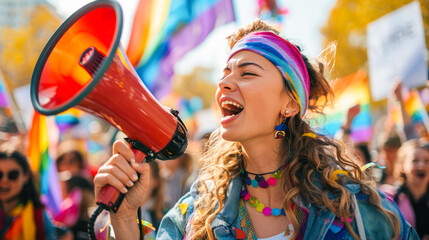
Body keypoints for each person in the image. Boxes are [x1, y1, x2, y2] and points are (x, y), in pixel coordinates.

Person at [94, 20, 418, 239]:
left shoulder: (356, 209)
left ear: (290, 104)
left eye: (247, 73)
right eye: (225, 74)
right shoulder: (197, 211)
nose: (223, 83)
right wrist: (124, 218)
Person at [0, 150, 56, 239]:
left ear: (25, 176)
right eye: (0, 174)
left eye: (13, 175)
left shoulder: (39, 218)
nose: (4, 180)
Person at [394, 139, 429, 239]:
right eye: (415, 161)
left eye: (427, 161)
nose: (421, 166)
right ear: (402, 166)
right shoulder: (391, 199)